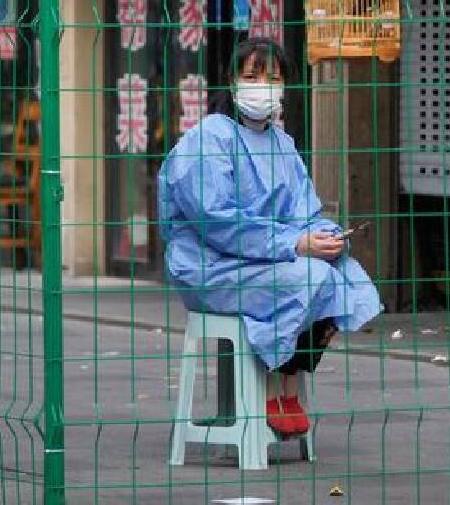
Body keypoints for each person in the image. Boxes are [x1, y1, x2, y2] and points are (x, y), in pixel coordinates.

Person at [157, 37, 383, 437]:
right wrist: (293, 244)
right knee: (310, 279)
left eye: (273, 78)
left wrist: (327, 238)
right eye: (251, 77)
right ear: (231, 81)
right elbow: (216, 221)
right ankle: (272, 390)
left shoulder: (282, 145)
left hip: (266, 260)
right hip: (212, 266)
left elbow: (305, 213)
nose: (262, 87)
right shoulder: (208, 138)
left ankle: (287, 385)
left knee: (339, 272)